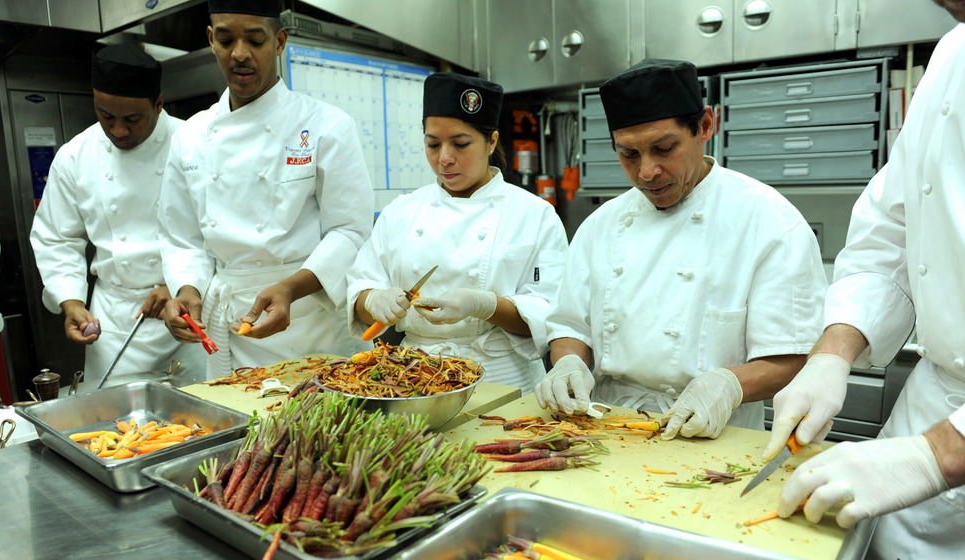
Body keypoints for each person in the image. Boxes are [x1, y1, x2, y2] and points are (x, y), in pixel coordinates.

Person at [764, 2, 965, 559]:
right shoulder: (952, 53)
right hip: (924, 420)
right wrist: (833, 353)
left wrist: (935, 456)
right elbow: (892, 228)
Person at [534, 59, 827, 439]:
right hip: (606, 429)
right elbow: (572, 325)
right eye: (629, 154)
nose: (646, 172)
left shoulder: (769, 221)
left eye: (664, 148)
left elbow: (793, 353)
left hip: (713, 435)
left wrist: (729, 384)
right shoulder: (601, 224)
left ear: (705, 126)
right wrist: (569, 361)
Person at [158, 0, 374, 379]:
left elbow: (351, 230)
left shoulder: (327, 125)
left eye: (255, 40)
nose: (239, 54)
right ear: (211, 40)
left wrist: (290, 289)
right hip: (232, 326)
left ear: (279, 41)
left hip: (310, 320)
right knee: (247, 426)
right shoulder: (189, 135)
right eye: (226, 40)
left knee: (328, 429)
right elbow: (182, 238)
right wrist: (188, 290)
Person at [347, 72, 568, 391]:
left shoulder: (534, 214)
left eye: (461, 144)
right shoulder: (402, 212)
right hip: (412, 377)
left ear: (491, 141)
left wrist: (485, 305)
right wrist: (373, 300)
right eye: (432, 144)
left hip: (502, 381)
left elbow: (552, 315)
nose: (444, 159)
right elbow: (360, 290)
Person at [29, 42, 202, 380]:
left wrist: (182, 285)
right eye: (106, 116)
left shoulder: (194, 143)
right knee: (113, 427)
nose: (118, 131)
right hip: (112, 323)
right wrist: (72, 303)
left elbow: (217, 233)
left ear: (159, 103)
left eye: (132, 119)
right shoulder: (75, 155)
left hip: (186, 316)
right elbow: (56, 238)